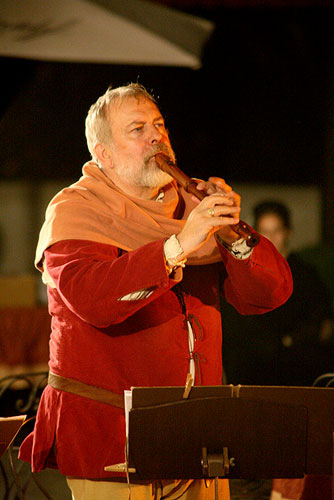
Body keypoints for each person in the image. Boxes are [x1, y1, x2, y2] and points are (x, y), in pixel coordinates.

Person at [18, 83, 293, 500]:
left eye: (159, 125)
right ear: (103, 153)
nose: (156, 136)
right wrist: (181, 243)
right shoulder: (75, 210)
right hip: (114, 446)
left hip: (199, 441)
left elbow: (269, 294)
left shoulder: (191, 202)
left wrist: (233, 235)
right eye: (137, 128)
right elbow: (94, 300)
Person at [222, 200, 333, 387]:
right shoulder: (245, 272)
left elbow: (320, 320)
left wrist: (290, 341)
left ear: (288, 232)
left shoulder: (304, 274)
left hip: (294, 369)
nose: (271, 237)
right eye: (265, 231)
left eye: (276, 230)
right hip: (250, 371)